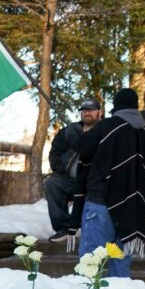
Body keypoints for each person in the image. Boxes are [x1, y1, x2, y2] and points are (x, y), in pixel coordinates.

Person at [72, 88, 145, 278]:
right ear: (136, 106)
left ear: (116, 107)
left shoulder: (106, 127)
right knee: (120, 268)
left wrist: (80, 133)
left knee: (91, 264)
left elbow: (81, 146)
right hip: (130, 211)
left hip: (100, 203)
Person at [45, 98, 102, 242]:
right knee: (51, 183)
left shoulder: (106, 131)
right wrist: (60, 168)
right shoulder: (68, 132)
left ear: (99, 112)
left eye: (91, 110)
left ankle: (95, 228)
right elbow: (55, 153)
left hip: (95, 182)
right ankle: (63, 228)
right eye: (84, 110)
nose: (87, 113)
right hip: (70, 181)